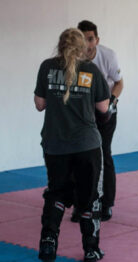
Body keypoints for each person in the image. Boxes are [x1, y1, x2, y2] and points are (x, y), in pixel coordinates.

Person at [34, 28, 110, 262]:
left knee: (56, 192)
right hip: (86, 145)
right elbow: (104, 108)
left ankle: (48, 244)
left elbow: (39, 104)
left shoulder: (47, 67)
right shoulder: (91, 70)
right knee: (90, 198)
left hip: (55, 144)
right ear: (83, 47)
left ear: (60, 45)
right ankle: (90, 249)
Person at [71, 20, 124, 222]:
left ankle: (106, 203)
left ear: (97, 39)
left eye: (90, 39)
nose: (86, 43)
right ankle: (80, 204)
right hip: (82, 113)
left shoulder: (108, 56)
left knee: (104, 154)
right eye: (82, 39)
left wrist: (111, 101)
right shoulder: (73, 58)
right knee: (79, 156)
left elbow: (119, 82)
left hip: (105, 112)